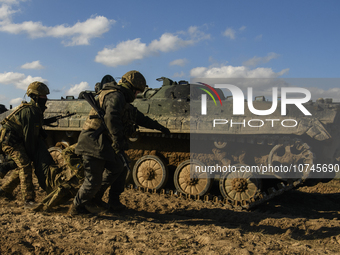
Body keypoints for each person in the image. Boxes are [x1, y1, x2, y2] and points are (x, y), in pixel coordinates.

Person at [69, 71, 170, 215]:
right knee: (93, 181)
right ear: (131, 87)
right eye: (136, 92)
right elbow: (112, 118)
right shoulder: (115, 96)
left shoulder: (121, 99)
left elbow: (138, 117)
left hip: (104, 142)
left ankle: (105, 200)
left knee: (120, 167)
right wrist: (118, 141)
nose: (136, 96)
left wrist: (159, 126)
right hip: (93, 141)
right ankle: (76, 208)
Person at [0, 81, 50, 208]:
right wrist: (32, 154)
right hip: (10, 142)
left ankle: (5, 191)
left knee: (22, 164)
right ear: (36, 96)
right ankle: (28, 200)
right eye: (44, 96)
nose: (46, 98)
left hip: (16, 140)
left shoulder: (34, 110)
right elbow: (29, 138)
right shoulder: (30, 112)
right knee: (25, 165)